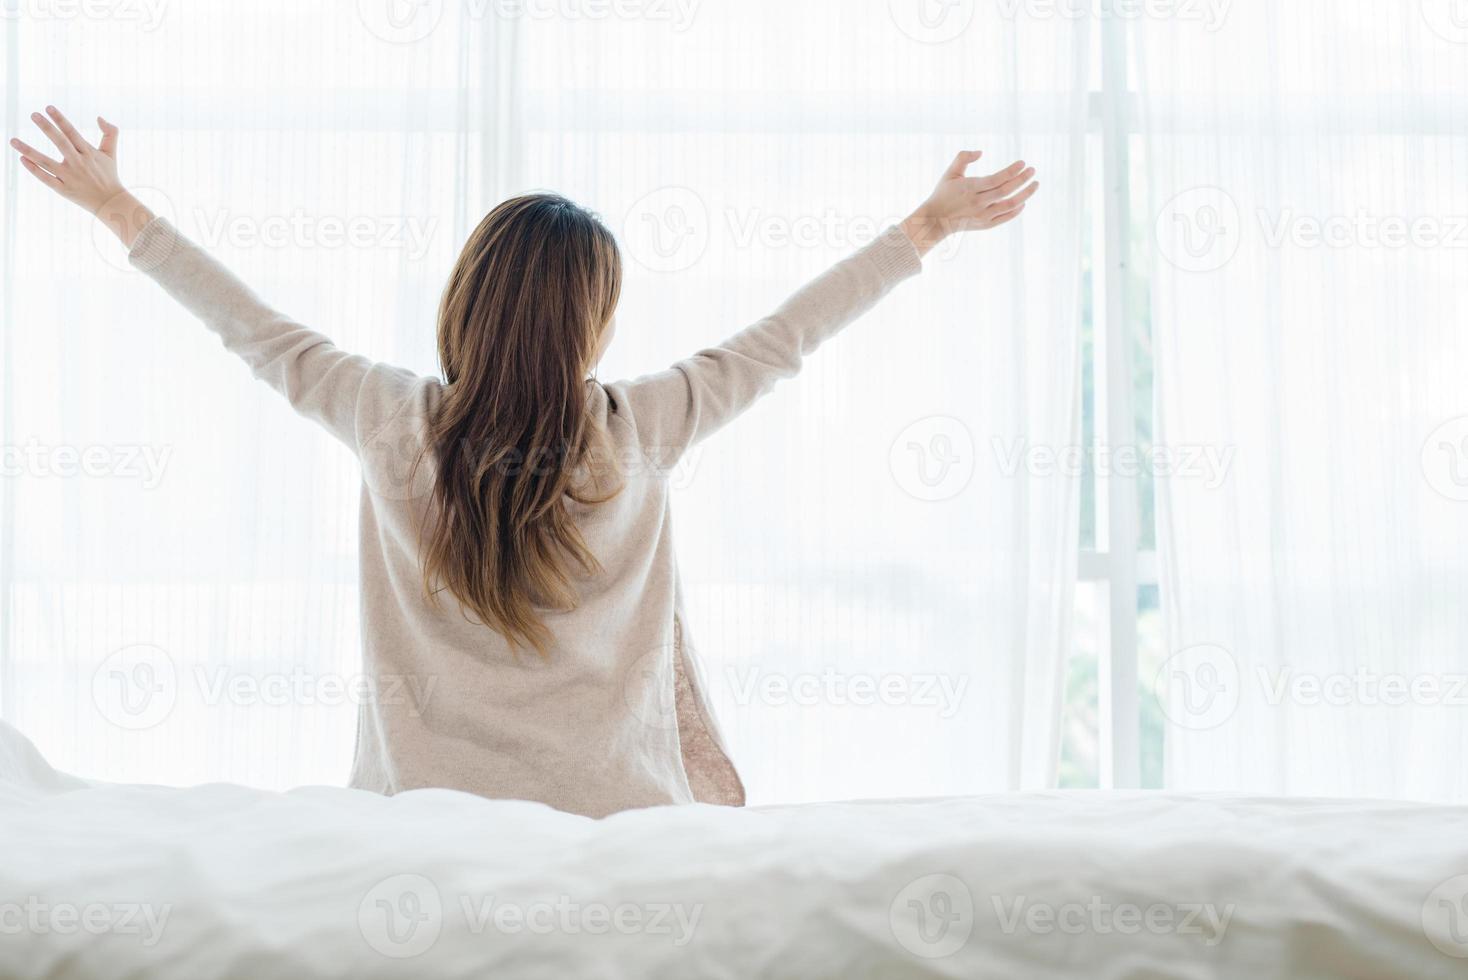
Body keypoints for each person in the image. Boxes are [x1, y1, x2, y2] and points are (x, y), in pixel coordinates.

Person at [10, 106, 1039, 817]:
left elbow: (254, 331)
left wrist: (117, 210)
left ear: (465, 301)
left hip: (424, 823)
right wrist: (926, 227)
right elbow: (788, 334)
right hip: (621, 823)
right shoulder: (648, 423)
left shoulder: (386, 417)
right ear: (591, 323)